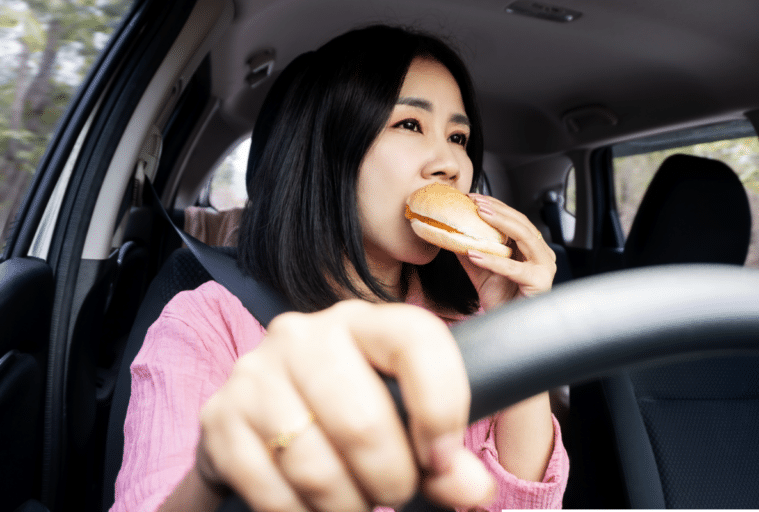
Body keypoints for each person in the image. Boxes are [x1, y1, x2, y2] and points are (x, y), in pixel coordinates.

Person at [111, 25, 567, 512]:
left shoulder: (475, 324)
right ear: (331, 149)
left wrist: (518, 326)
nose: (450, 164)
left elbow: (522, 506)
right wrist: (211, 473)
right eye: (410, 125)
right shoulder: (207, 324)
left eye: (459, 136)